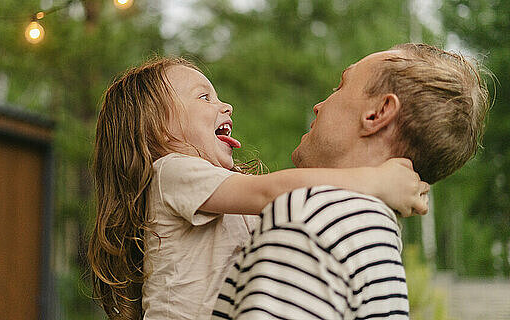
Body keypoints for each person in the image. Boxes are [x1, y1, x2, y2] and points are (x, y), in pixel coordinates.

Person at [87, 57, 430, 319]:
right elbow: (274, 192)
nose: (226, 106)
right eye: (204, 98)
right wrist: (377, 182)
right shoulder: (171, 173)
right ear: (157, 129)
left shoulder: (221, 188)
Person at [212, 43, 490, 319]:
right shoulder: (376, 241)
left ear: (378, 113)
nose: (319, 105)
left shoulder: (311, 219)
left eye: (341, 86)